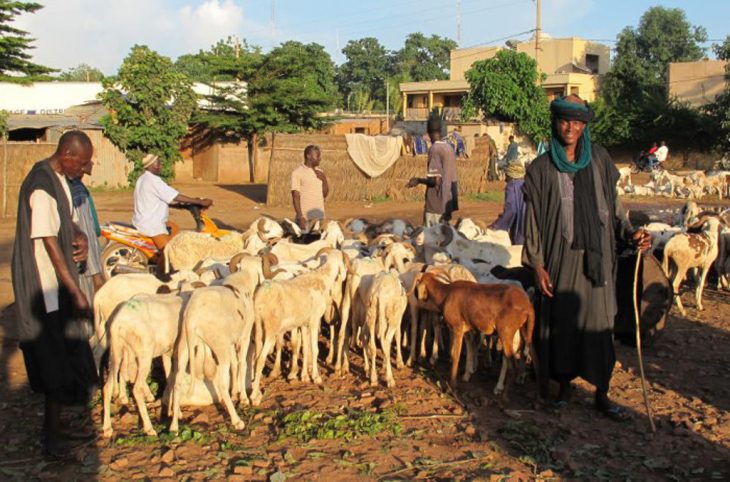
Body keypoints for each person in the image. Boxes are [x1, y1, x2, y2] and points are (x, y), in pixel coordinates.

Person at [522, 95, 651, 420]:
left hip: (599, 257)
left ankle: (602, 392)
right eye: (565, 120)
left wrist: (630, 232)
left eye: (577, 122)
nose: (571, 127)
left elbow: (615, 204)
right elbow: (533, 220)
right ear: (556, 122)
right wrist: (537, 263)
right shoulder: (540, 168)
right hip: (560, 257)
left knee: (600, 322)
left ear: (584, 126)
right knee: (563, 322)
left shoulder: (600, 160)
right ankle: (564, 387)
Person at [12, 130, 100, 458]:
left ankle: (59, 426)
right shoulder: (41, 186)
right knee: (52, 362)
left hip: (56, 285)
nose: (85, 170)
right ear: (66, 154)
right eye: (82, 163)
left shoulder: (59, 178)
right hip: (44, 285)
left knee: (63, 354)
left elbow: (65, 221)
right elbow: (49, 243)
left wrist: (78, 235)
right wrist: (76, 291)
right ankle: (51, 440)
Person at [132, 154, 213, 254]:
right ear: (154, 165)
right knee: (170, 254)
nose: (160, 166)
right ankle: (163, 267)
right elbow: (175, 196)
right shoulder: (153, 180)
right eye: (159, 163)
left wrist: (180, 206)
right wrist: (200, 202)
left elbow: (156, 199)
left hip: (143, 220)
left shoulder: (143, 178)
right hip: (152, 225)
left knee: (174, 228)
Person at [69, 161, 104, 331]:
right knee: (87, 312)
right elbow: (85, 233)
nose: (92, 162)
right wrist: (96, 273)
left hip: (84, 260)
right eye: (88, 158)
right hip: (85, 265)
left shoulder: (76, 186)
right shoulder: (76, 191)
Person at [407, 116, 459, 226]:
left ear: (429, 133)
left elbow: (435, 180)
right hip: (447, 204)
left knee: (429, 239)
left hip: (435, 205)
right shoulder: (449, 148)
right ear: (440, 131)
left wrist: (418, 180)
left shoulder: (435, 149)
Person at [291, 145, 329, 231]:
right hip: (305, 220)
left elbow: (325, 194)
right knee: (304, 243)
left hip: (319, 218)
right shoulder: (297, 173)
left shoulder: (320, 172)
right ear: (309, 156)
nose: (320, 158)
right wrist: (300, 217)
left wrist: (324, 180)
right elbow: (295, 196)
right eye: (317, 156)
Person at [490, 161, 527, 245]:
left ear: (511, 175)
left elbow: (511, 209)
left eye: (506, 174)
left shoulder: (512, 186)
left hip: (521, 229)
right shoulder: (528, 184)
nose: (505, 178)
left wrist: (497, 226)